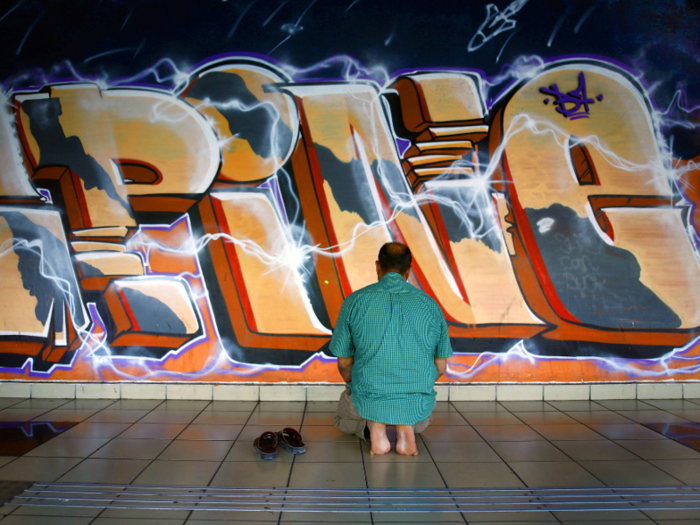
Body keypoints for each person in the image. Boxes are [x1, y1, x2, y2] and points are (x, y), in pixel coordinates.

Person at [329, 242, 453, 456]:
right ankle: (406, 429)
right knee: (414, 407)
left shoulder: (354, 302)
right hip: (418, 410)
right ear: (408, 271)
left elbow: (344, 363)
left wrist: (356, 384)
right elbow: (441, 366)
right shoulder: (430, 305)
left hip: (367, 399)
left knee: (345, 416)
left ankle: (376, 428)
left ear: (378, 266)